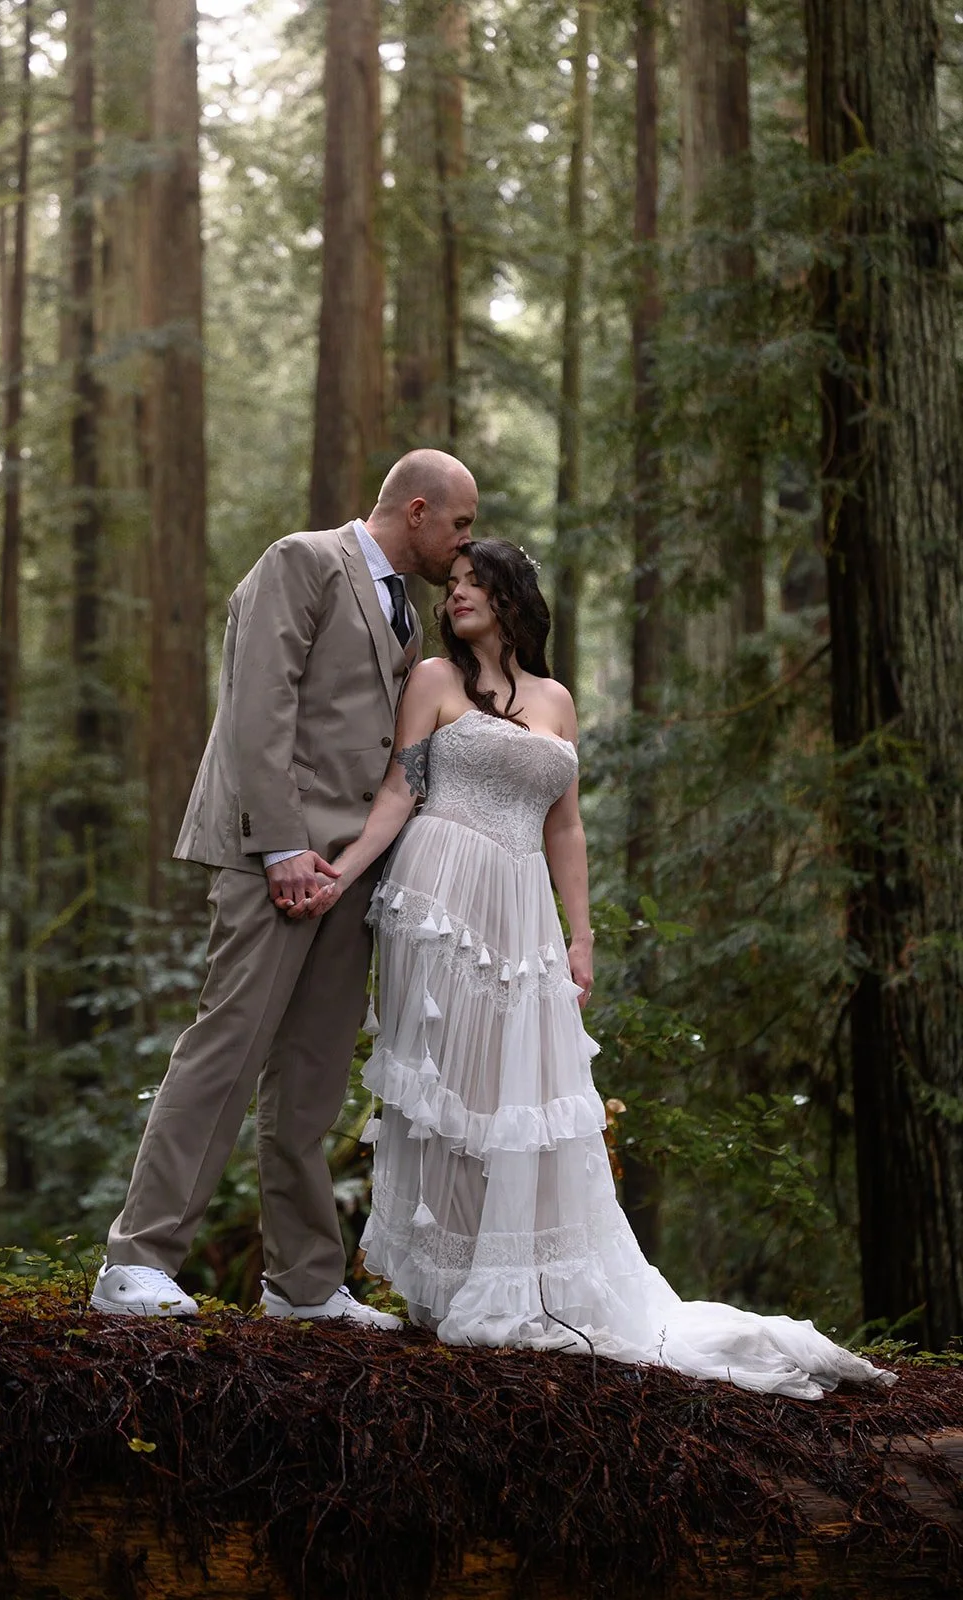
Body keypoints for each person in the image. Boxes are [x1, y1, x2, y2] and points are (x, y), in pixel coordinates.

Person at [303, 538, 895, 1398]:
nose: (457, 596)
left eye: (475, 584)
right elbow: (400, 790)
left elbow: (564, 827)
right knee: (455, 1085)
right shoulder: (431, 680)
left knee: (524, 1093)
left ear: (513, 599)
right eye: (453, 586)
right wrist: (342, 874)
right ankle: (454, 1281)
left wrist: (579, 935)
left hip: (520, 904)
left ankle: (523, 1279)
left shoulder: (556, 699)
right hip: (438, 893)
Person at [90, 449, 479, 1325]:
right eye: (459, 524)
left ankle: (303, 1285)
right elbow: (256, 707)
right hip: (277, 861)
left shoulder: (405, 611)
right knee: (226, 1048)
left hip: (347, 874)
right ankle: (137, 1260)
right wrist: (279, 848)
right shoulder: (303, 561)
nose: (466, 544)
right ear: (415, 510)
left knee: (308, 1080)